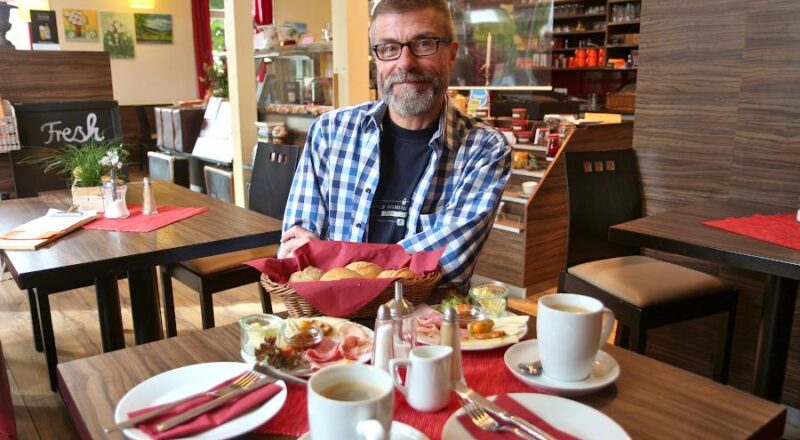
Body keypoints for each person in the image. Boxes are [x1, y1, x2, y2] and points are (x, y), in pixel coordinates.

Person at [279, 0, 511, 291]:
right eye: (388, 48)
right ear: (376, 57)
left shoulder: (484, 150)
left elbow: (448, 265)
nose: (405, 63)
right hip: (333, 326)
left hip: (428, 328)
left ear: (451, 55)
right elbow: (293, 251)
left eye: (423, 44)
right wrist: (404, 260)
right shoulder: (330, 132)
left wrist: (328, 254)